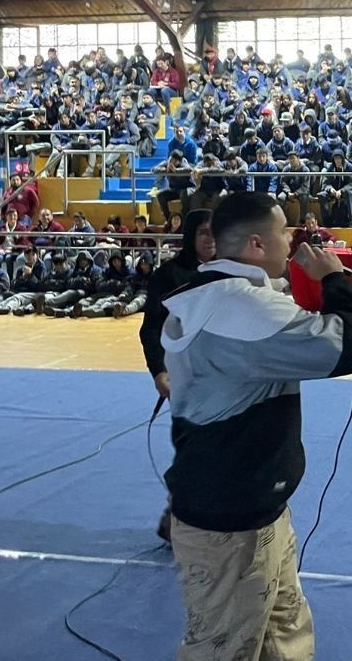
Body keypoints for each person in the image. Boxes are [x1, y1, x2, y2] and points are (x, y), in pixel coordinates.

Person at [160, 192, 352, 661]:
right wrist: (334, 278)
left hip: (254, 508)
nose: (292, 239)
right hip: (232, 524)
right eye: (282, 232)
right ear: (256, 244)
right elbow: (346, 348)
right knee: (222, 648)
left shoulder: (213, 296)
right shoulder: (239, 307)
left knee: (283, 633)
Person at [138, 209, 215, 542]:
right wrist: (158, 371)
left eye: (215, 233)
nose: (210, 240)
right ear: (190, 236)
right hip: (184, 376)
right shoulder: (169, 274)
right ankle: (177, 512)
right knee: (191, 448)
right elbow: (151, 327)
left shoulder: (230, 273)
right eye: (203, 233)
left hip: (224, 376)